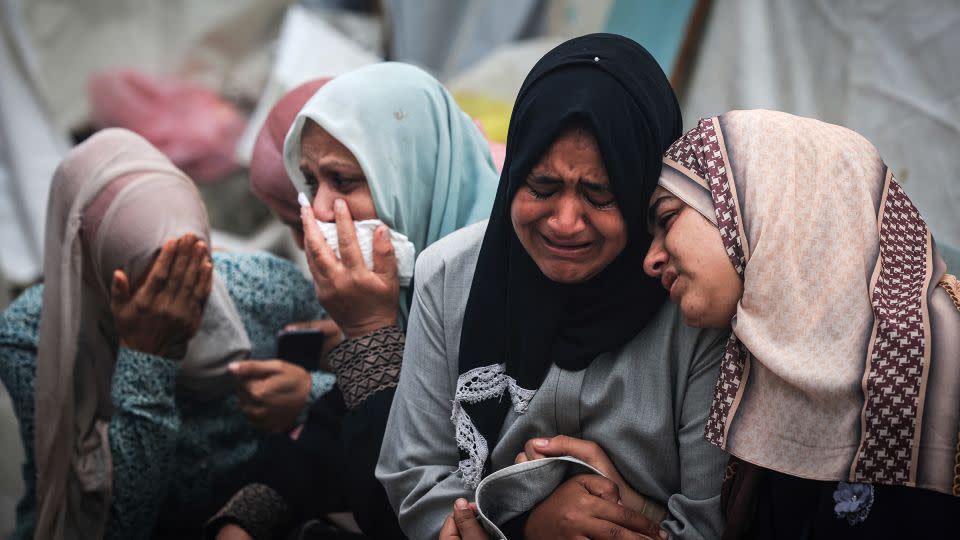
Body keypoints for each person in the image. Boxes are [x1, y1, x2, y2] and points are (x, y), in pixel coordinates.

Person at [377, 34, 729, 540]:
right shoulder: (450, 276)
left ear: (640, 190)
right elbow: (415, 477)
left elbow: (707, 521)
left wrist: (625, 517)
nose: (565, 222)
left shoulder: (691, 305)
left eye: (600, 194)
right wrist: (522, 527)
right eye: (541, 187)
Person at [207, 62, 499, 539]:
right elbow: (330, 433)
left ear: (411, 179)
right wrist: (244, 516)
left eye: (342, 181)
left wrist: (369, 332)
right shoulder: (404, 286)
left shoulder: (492, 298)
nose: (319, 210)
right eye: (310, 183)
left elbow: (401, 509)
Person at [0, 128, 335, 539]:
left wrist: (308, 393)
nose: (179, 301)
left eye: (194, 267)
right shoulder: (36, 336)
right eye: (150, 281)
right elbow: (112, 524)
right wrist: (146, 355)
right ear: (91, 264)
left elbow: (367, 406)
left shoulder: (266, 290)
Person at [642, 109, 960, 538]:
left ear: (760, 203)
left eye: (666, 220)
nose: (651, 259)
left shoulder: (944, 353)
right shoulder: (756, 369)